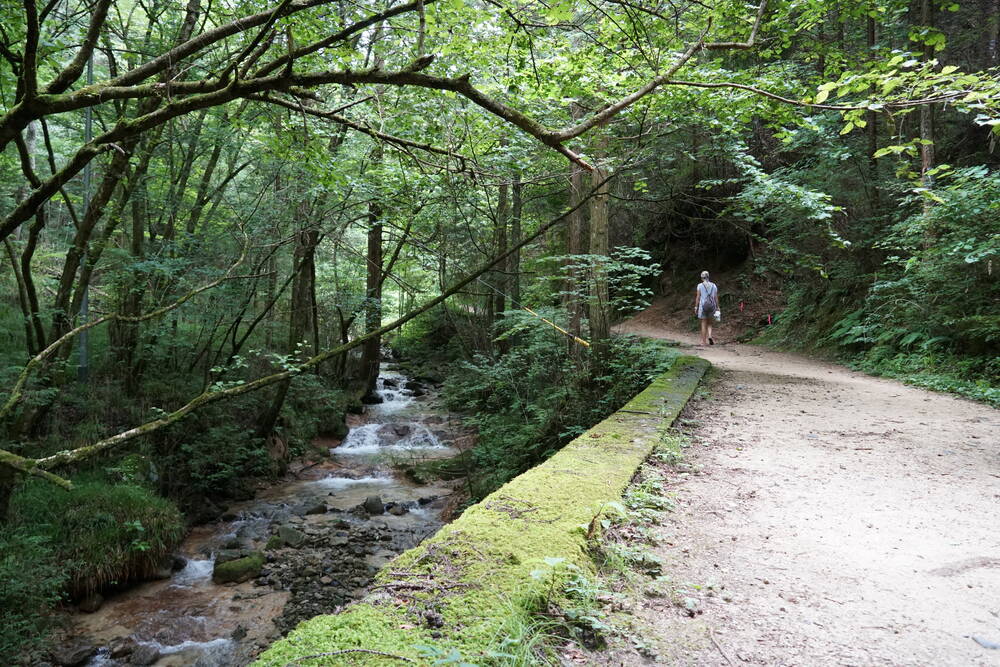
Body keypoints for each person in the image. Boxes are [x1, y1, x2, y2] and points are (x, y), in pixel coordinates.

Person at [694, 270, 718, 346]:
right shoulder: (714, 285)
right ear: (708, 277)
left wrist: (696, 307)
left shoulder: (700, 286)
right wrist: (718, 307)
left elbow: (698, 297)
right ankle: (710, 336)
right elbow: (716, 298)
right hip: (712, 306)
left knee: (703, 323)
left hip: (703, 307)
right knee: (710, 323)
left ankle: (703, 342)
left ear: (702, 278)